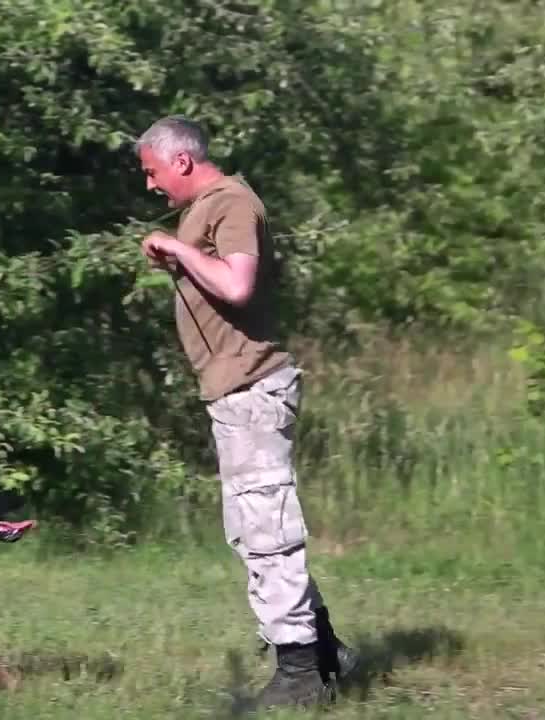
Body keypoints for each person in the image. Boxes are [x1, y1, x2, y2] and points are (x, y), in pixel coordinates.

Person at [134, 115, 359, 709]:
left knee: (267, 532)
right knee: (254, 530)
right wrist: (184, 258)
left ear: (181, 161)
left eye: (153, 173)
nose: (152, 186)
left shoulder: (231, 202)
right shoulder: (208, 206)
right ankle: (327, 651)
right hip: (236, 395)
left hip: (254, 391)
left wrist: (180, 249)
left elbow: (237, 286)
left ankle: (300, 673)